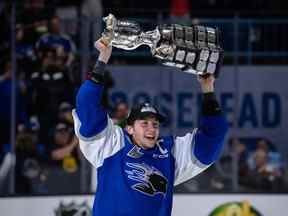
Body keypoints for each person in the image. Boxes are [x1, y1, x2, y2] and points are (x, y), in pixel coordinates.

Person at [72, 39, 228, 216]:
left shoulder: (169, 155)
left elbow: (214, 137)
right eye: (144, 123)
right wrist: (102, 60)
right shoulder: (111, 145)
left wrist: (208, 89)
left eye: (155, 124)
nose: (151, 129)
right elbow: (86, 105)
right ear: (129, 128)